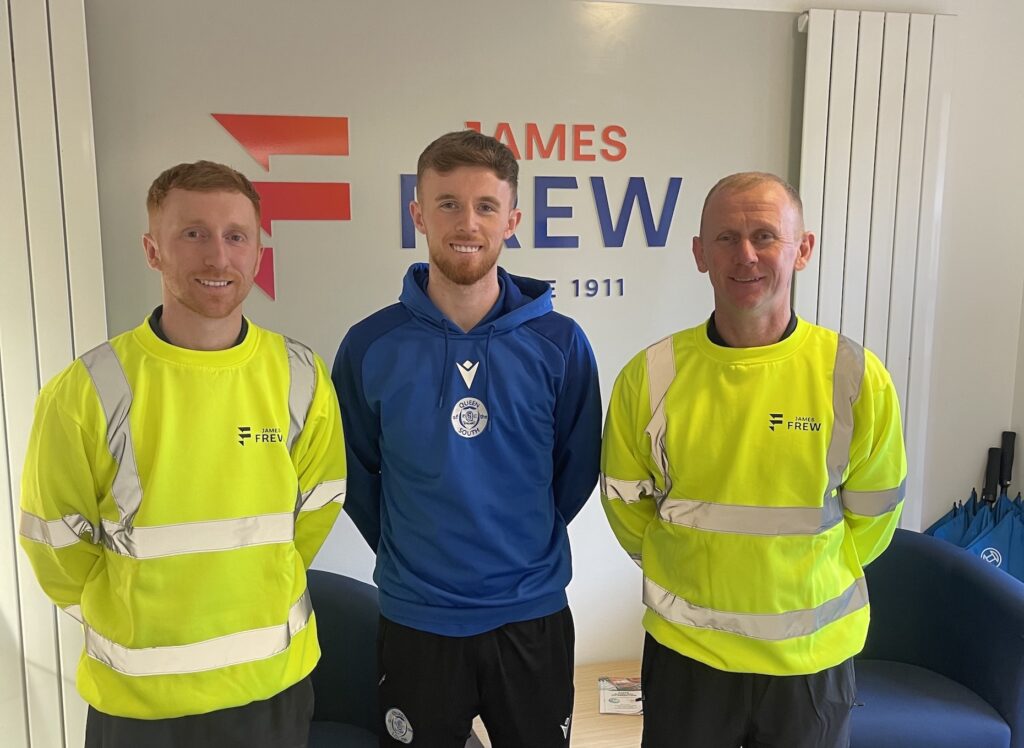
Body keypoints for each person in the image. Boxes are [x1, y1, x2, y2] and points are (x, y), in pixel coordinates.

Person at [18, 160, 347, 748]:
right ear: (153, 251)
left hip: (271, 688)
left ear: (257, 253)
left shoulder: (302, 377)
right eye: (193, 234)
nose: (218, 257)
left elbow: (314, 514)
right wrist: (135, 620)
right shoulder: (87, 390)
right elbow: (56, 548)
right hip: (138, 704)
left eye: (236, 236)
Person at [601, 172, 907, 748]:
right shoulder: (650, 376)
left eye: (765, 236)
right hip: (688, 657)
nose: (746, 255)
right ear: (700, 254)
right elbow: (625, 507)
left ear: (803, 249)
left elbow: (875, 517)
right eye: (726, 238)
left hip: (810, 664)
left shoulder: (855, 377)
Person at [333, 130, 601, 747]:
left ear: (512, 220)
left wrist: (518, 537)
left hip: (530, 612)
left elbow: (576, 467)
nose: (467, 223)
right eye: (448, 203)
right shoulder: (370, 345)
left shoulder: (560, 344)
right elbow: (354, 474)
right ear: (418, 214)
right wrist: (414, 548)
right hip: (418, 617)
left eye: (485, 206)